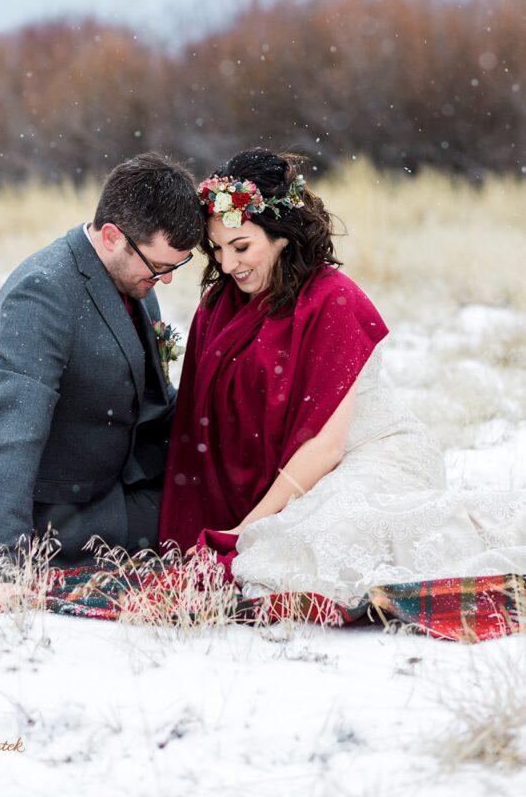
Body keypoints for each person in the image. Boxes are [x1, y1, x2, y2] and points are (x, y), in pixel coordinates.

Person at [158, 148, 526, 610]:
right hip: (296, 472)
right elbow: (201, 415)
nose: (228, 265)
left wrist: (246, 528)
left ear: (282, 237)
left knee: (314, 542)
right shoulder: (219, 305)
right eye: (216, 249)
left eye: (241, 247)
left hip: (376, 455)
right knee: (277, 547)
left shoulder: (333, 301)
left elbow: (327, 447)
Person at [0, 152, 202, 568]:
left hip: (121, 478)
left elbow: (150, 398)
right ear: (112, 235)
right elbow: (13, 431)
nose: (167, 279)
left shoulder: (133, 275)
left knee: (234, 493)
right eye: (159, 266)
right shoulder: (42, 293)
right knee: (206, 523)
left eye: (177, 265)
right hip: (58, 511)